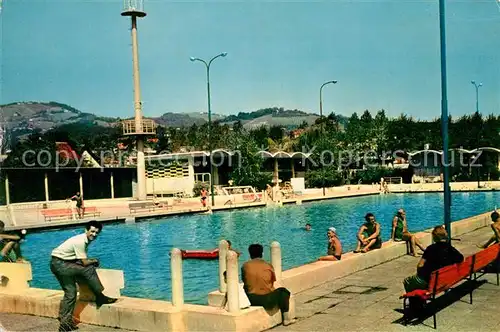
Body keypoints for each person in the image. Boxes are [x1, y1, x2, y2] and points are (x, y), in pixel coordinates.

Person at [50, 220, 117, 332]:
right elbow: (85, 263)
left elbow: (78, 259)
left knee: (70, 293)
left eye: (97, 232)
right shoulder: (80, 241)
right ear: (86, 230)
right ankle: (100, 296)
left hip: (58, 263)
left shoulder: (83, 239)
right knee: (88, 269)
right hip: (61, 265)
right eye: (92, 231)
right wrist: (94, 260)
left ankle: (65, 323)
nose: (94, 234)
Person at [403, 225, 463, 310]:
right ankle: (418, 303)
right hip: (445, 279)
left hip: (431, 282)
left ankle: (416, 306)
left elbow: (420, 265)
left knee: (408, 281)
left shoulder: (431, 249)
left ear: (434, 237)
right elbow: (461, 259)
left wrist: (419, 273)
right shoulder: (450, 248)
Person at [241, 244, 296, 326]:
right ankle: (286, 319)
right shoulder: (267, 265)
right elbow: (271, 282)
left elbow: (244, 281)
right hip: (266, 300)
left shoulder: (245, 266)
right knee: (283, 291)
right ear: (262, 253)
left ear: (250, 254)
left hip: (251, 298)